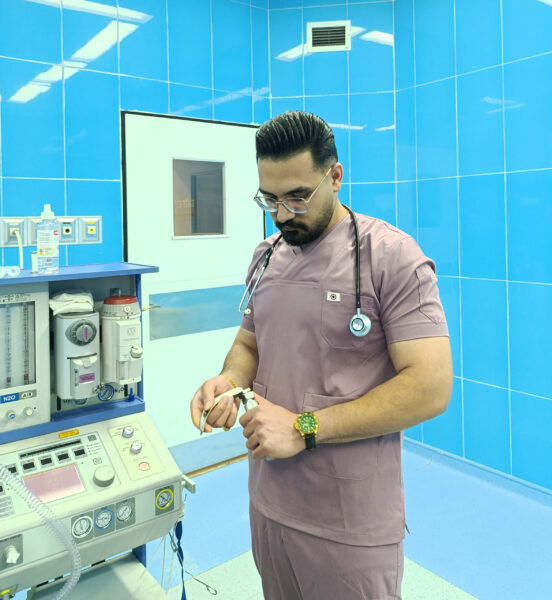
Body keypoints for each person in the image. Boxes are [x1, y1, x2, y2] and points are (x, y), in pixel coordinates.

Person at [190, 111, 453, 600]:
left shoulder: (391, 257)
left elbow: (431, 387)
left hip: (349, 521)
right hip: (270, 503)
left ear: (335, 176)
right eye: (270, 198)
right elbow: (249, 344)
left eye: (297, 197)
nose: (282, 214)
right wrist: (228, 380)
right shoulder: (266, 256)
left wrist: (303, 428)